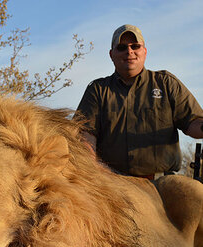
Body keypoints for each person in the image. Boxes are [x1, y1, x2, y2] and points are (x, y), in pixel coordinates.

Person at [75, 24, 203, 179]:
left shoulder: (166, 83)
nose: (129, 51)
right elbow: (85, 135)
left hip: (163, 184)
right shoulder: (98, 89)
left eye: (135, 46)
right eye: (122, 47)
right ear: (111, 54)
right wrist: (91, 171)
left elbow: (192, 123)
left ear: (144, 51)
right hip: (113, 184)